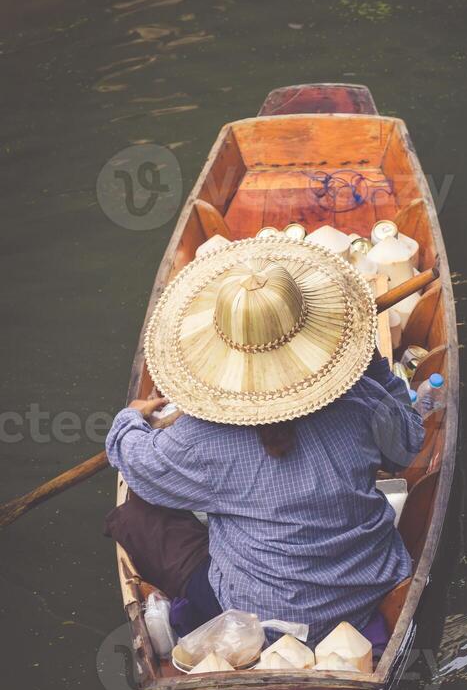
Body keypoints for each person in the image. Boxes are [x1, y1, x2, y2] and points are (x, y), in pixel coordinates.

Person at [104, 240, 424, 651]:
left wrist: (130, 417)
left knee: (136, 515)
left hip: (261, 620)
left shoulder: (201, 436)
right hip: (370, 586)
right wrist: (375, 367)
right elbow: (408, 446)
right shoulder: (360, 398)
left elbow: (133, 459)